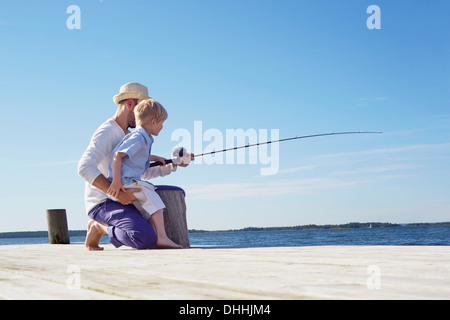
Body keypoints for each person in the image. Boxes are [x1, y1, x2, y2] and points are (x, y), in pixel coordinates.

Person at [78, 82, 184, 251]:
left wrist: (170, 166)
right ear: (129, 104)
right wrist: (117, 194)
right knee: (144, 238)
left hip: (122, 198)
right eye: (142, 108)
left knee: (161, 210)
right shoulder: (107, 132)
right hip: (103, 201)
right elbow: (84, 167)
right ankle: (98, 227)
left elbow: (138, 173)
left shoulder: (130, 135)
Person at [107, 98, 183, 249]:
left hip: (128, 180)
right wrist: (116, 181)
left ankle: (155, 236)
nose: (163, 126)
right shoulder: (138, 137)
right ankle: (161, 237)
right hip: (125, 182)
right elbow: (117, 156)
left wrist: (156, 158)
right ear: (153, 121)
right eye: (162, 123)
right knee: (153, 197)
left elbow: (136, 157)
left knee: (148, 202)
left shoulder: (144, 138)